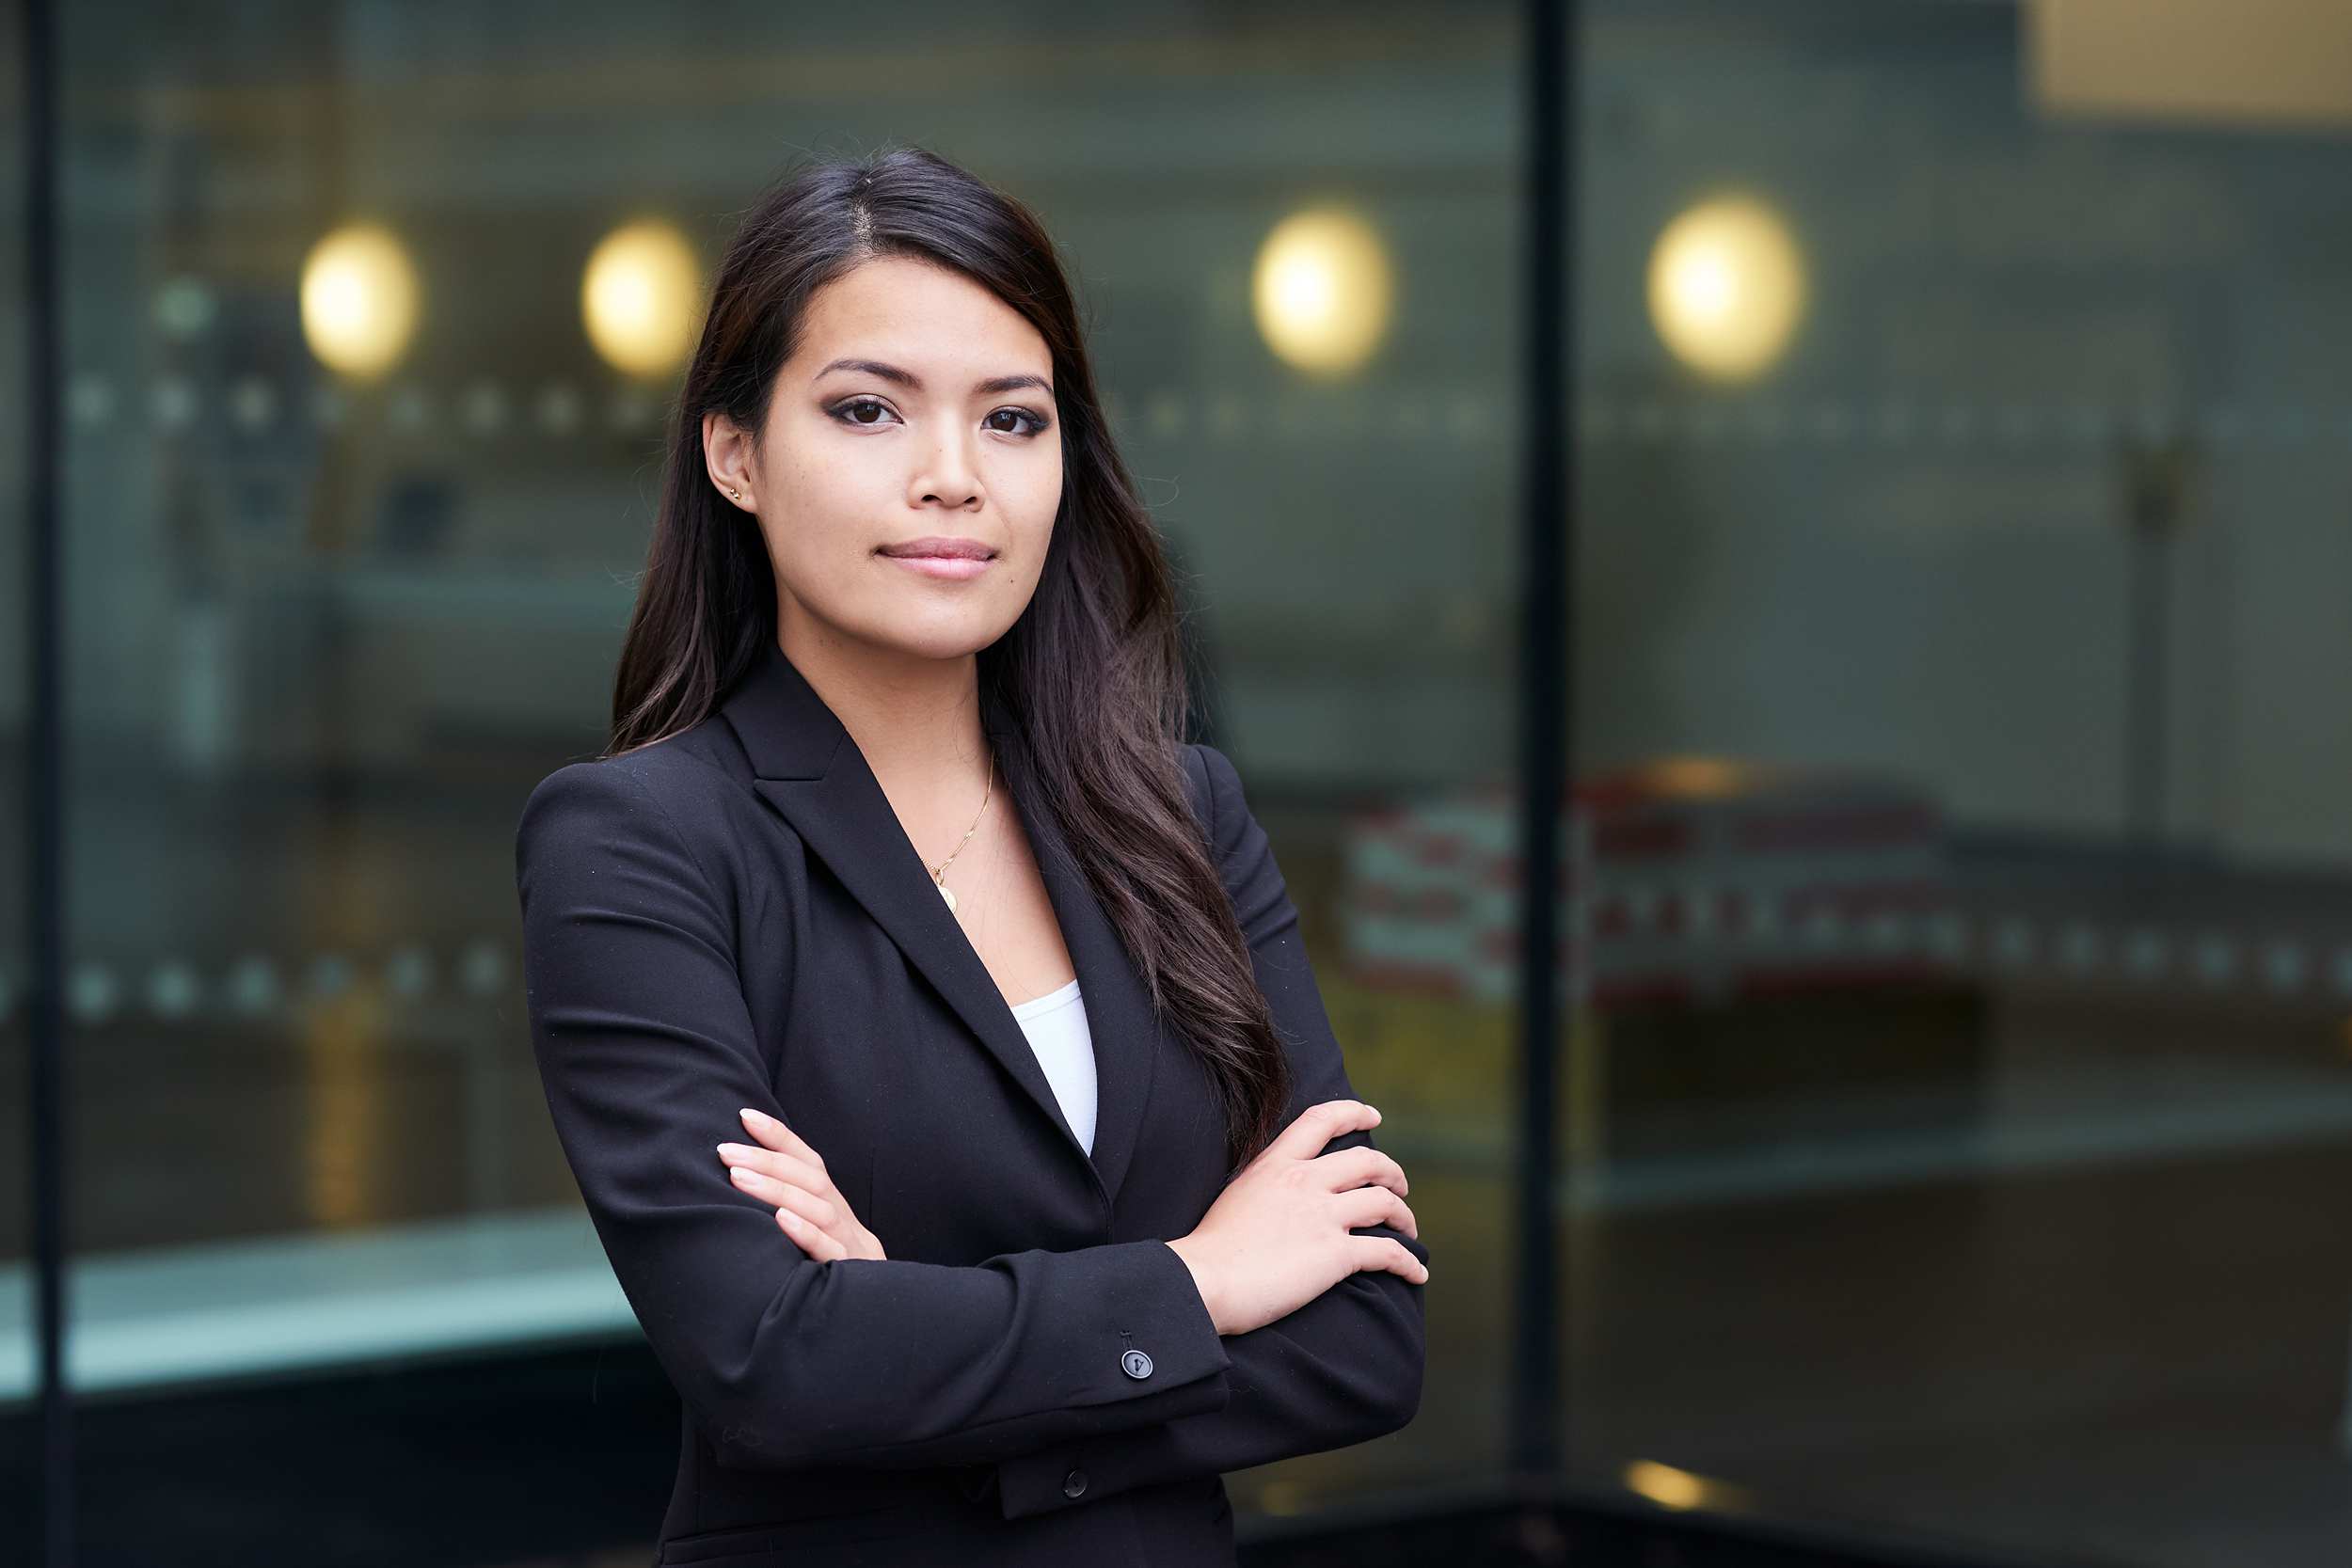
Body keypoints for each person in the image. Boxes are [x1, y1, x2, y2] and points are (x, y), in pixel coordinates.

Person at [514, 145, 1430, 1568]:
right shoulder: (641, 844)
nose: (954, 479)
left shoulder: (1182, 814)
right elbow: (775, 1365)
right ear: (734, 452)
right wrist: (1204, 1279)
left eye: (1013, 419)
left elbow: (1365, 1338)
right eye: (869, 410)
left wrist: (929, 1353)